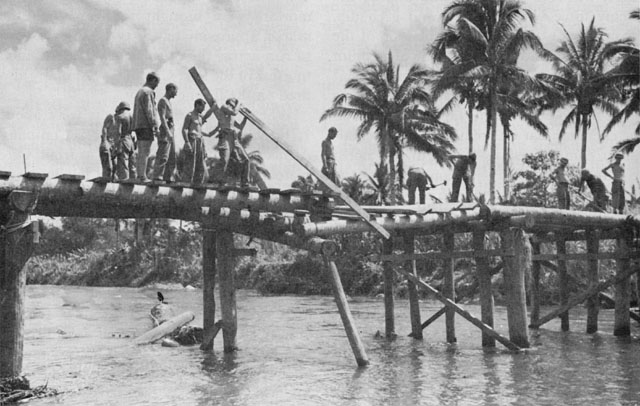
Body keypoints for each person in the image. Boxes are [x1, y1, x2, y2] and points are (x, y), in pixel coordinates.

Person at [211, 98, 250, 186]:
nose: (234, 105)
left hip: (233, 136)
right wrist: (239, 104)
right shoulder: (224, 107)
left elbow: (240, 127)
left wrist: (245, 118)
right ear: (229, 102)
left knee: (245, 159)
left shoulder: (231, 116)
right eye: (233, 103)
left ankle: (245, 182)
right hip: (225, 135)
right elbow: (235, 112)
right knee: (224, 159)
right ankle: (219, 181)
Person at [132, 72, 160, 182]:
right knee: (145, 151)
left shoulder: (140, 91)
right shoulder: (148, 92)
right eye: (157, 82)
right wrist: (155, 126)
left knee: (141, 150)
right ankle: (142, 176)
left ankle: (140, 174)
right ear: (152, 80)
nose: (157, 85)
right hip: (145, 125)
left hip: (138, 125)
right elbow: (150, 111)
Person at [152, 83, 178, 182]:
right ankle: (157, 175)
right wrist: (167, 132)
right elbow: (162, 117)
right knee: (163, 154)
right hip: (166, 129)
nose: (176, 94)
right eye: (175, 91)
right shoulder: (163, 101)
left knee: (172, 155)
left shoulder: (168, 101)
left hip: (171, 128)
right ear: (171, 89)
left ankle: (169, 176)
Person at [181, 99, 209, 184]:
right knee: (190, 162)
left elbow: (200, 131)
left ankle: (198, 183)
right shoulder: (189, 115)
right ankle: (186, 182)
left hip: (200, 141)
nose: (203, 109)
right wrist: (187, 142)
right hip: (192, 139)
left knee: (200, 163)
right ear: (197, 105)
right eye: (202, 107)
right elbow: (184, 129)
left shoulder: (200, 117)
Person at [113, 101, 137, 180]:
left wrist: (116, 146)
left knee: (123, 163)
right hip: (131, 141)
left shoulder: (119, 117)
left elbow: (118, 132)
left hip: (123, 141)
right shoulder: (131, 116)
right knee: (133, 164)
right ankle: (134, 180)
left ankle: (124, 181)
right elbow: (135, 130)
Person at [99, 106, 119, 181]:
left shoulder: (120, 121)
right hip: (107, 143)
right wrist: (105, 141)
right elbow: (104, 128)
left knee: (116, 167)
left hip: (114, 146)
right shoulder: (111, 117)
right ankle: (106, 181)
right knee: (108, 167)